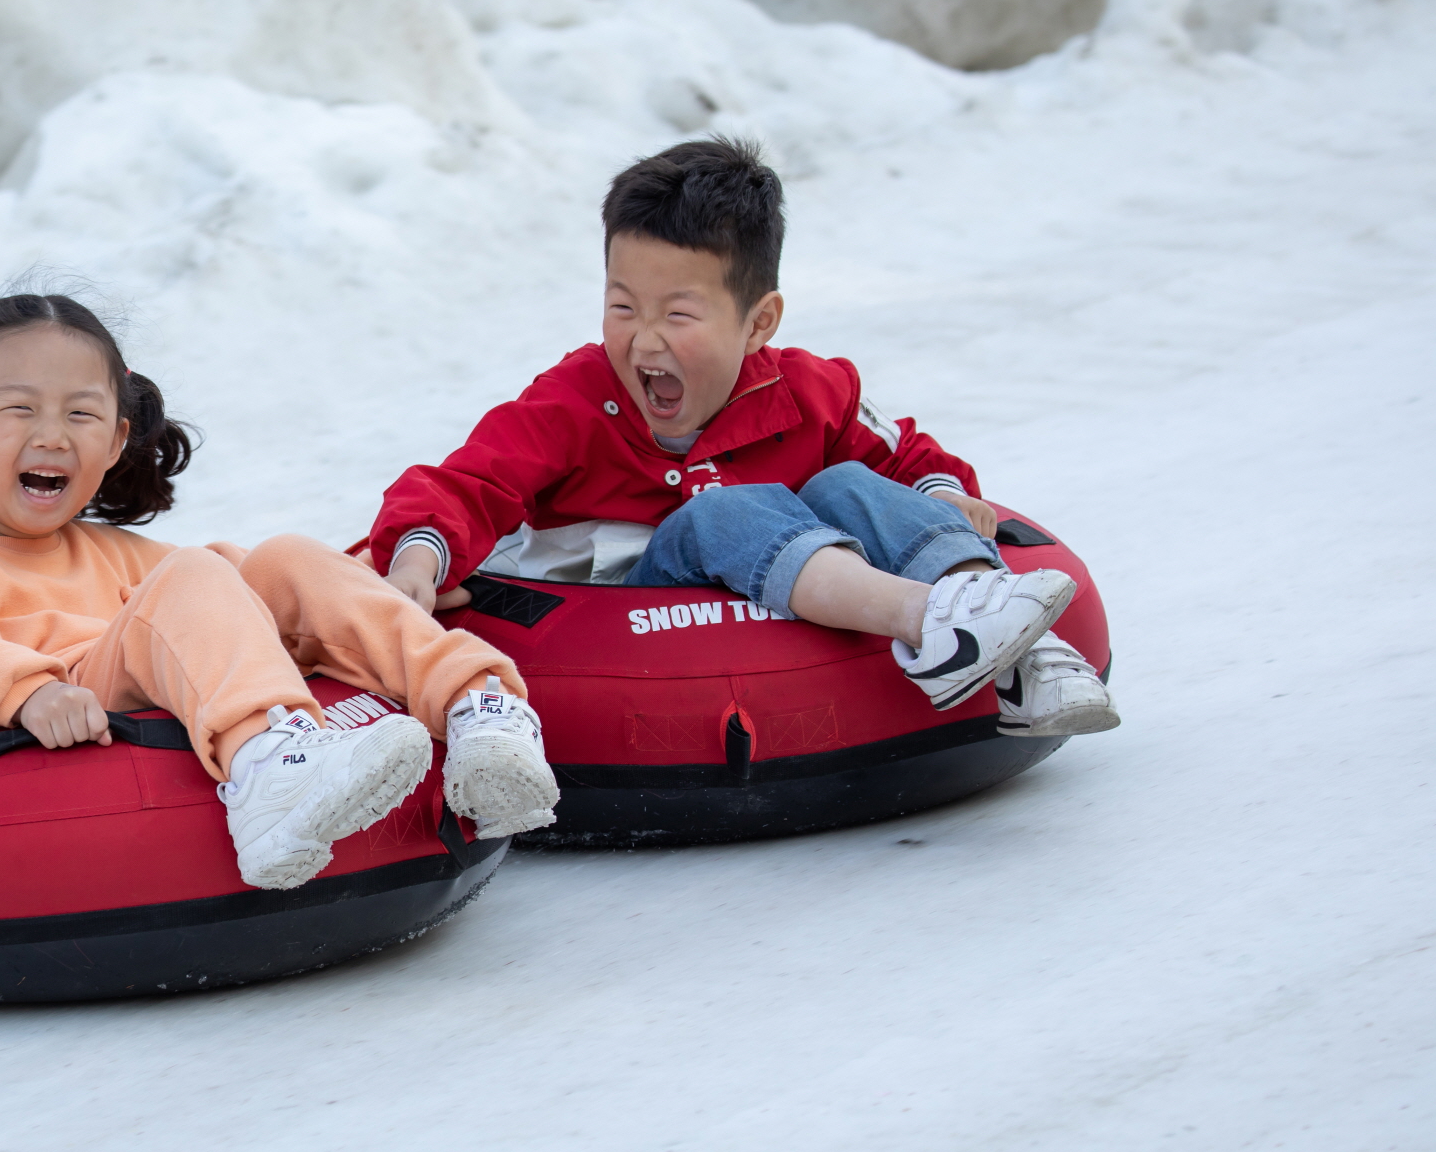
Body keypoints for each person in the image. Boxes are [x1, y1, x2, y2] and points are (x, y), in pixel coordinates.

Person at [370, 139, 1117, 738]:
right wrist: (416, 556)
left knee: (847, 484)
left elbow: (906, 457)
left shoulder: (810, 390)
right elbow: (465, 483)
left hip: (787, 582)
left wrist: (948, 495)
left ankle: (1017, 651)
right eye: (623, 306)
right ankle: (928, 624)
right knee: (724, 508)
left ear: (758, 323)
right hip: (643, 620)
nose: (644, 339)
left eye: (679, 316)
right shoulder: (573, 402)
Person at [0, 292, 562, 891]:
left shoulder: (118, 550)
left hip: (156, 665)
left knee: (275, 557)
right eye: (20, 410)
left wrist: (371, 587)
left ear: (118, 440)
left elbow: (238, 594)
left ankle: (475, 710)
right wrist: (25, 692)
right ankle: (271, 774)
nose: (53, 436)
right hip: (80, 695)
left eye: (81, 414)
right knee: (193, 573)